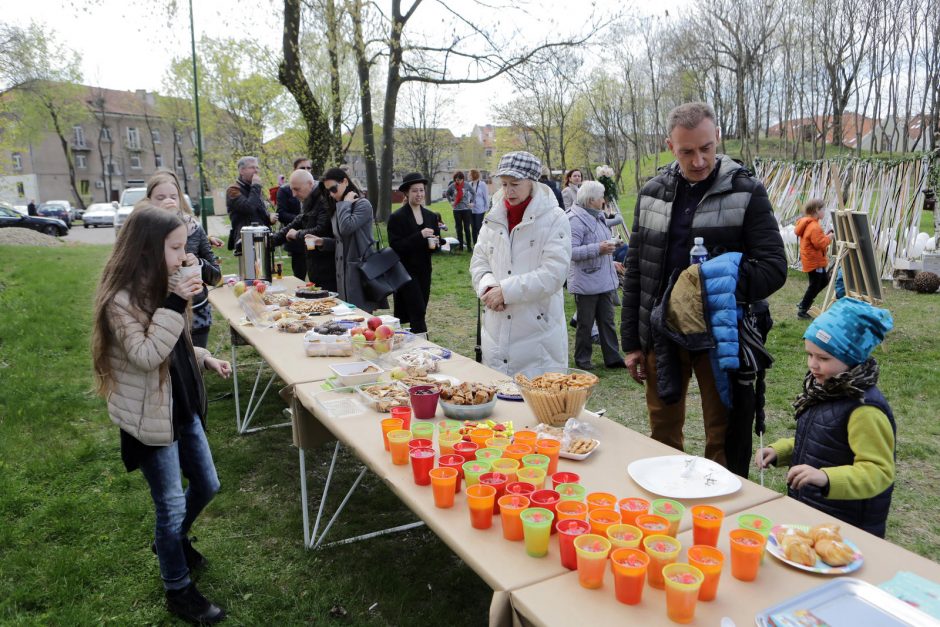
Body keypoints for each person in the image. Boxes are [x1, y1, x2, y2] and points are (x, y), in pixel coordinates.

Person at [621, 102, 786, 467]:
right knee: (662, 435)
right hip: (662, 333)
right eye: (687, 151)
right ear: (670, 146)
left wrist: (714, 282)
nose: (698, 160)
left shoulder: (747, 192)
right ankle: (667, 510)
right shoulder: (651, 194)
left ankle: (721, 515)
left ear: (718, 139)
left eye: (706, 148)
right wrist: (632, 342)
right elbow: (637, 271)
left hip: (721, 336)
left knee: (724, 437)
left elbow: (775, 268)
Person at [91, 205, 231, 624]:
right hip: (150, 418)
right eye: (175, 247)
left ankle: (172, 540)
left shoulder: (163, 284)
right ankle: (178, 588)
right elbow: (149, 354)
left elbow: (176, 342)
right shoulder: (121, 301)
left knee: (207, 484)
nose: (183, 254)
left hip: (181, 404)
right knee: (169, 507)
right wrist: (176, 299)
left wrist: (203, 357)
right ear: (149, 249)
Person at [756, 298, 895, 538]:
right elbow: (822, 438)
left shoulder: (865, 409)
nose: (813, 365)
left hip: (848, 528)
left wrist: (825, 477)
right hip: (816, 513)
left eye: (823, 358)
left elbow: (879, 472)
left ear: (852, 357)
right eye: (809, 355)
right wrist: (781, 451)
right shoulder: (827, 389)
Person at [470, 151, 571, 375]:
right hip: (496, 333)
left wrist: (505, 291)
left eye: (515, 184)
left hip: (538, 336)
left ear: (532, 182)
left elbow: (554, 274)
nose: (508, 191)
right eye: (504, 184)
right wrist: (487, 287)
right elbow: (479, 260)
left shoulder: (555, 218)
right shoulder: (494, 216)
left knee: (537, 405)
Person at [146, 170, 222, 349]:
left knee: (197, 368)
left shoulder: (194, 228)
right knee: (168, 370)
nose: (168, 201)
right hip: (160, 313)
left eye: (173, 196)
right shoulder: (143, 231)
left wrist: (200, 264)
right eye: (160, 197)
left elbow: (216, 277)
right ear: (149, 201)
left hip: (197, 314)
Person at [568, 180, 625, 371]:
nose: (604, 200)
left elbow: (601, 244)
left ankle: (613, 358)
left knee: (607, 320)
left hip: (603, 278)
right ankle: (583, 360)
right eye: (601, 196)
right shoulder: (575, 220)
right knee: (585, 323)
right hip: (586, 280)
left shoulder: (597, 216)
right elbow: (570, 252)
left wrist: (611, 260)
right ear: (591, 199)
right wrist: (598, 249)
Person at [318, 167, 381, 312]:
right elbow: (341, 240)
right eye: (328, 191)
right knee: (347, 316)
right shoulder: (339, 207)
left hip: (359, 270)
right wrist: (322, 242)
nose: (331, 194)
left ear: (345, 181)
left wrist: (345, 204)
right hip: (343, 272)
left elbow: (346, 228)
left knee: (361, 315)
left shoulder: (362, 205)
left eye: (334, 189)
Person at [387, 172, 442, 333]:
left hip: (424, 270)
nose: (419, 194)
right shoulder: (397, 217)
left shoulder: (431, 216)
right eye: (415, 191)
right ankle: (423, 344)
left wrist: (436, 243)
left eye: (421, 190)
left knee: (419, 310)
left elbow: (436, 244)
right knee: (417, 311)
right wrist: (420, 235)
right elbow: (396, 246)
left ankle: (413, 342)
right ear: (406, 192)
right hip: (405, 272)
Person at [270, 169, 337, 291]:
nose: (294, 194)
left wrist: (297, 234)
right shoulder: (309, 200)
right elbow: (297, 222)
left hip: (328, 266)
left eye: (297, 189)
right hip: (315, 264)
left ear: (310, 184)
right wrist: (271, 240)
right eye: (292, 190)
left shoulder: (324, 199)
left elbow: (320, 231)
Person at [225, 156, 276, 253]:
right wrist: (256, 186)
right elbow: (249, 208)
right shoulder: (233, 190)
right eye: (252, 167)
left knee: (267, 268)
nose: (256, 171)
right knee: (250, 268)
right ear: (241, 171)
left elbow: (258, 213)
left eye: (257, 167)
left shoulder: (254, 188)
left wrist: (269, 217)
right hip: (245, 239)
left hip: (262, 237)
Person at [276, 157, 314, 280]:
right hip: (296, 240)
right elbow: (281, 213)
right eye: (303, 168)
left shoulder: (317, 191)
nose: (306, 170)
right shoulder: (285, 190)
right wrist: (302, 220)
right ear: (295, 170)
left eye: (309, 168)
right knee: (299, 276)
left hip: (314, 238)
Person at [795, 198, 832, 319]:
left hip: (812, 260)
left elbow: (817, 240)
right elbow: (820, 244)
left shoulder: (810, 223)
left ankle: (804, 302)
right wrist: (830, 237)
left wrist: (825, 235)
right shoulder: (814, 226)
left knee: (823, 281)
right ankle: (803, 308)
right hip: (815, 261)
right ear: (817, 210)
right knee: (815, 285)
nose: (825, 212)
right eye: (823, 209)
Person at [445, 171, 475, 251]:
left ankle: (469, 247)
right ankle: (460, 246)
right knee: (458, 229)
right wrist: (451, 201)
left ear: (462, 179)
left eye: (459, 180)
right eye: (456, 180)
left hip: (466, 210)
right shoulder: (452, 186)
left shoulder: (467, 185)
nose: (457, 181)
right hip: (456, 210)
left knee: (467, 229)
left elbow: (473, 193)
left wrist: (472, 202)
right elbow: (447, 194)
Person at [468, 169, 489, 243]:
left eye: (470, 174)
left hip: (480, 209)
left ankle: (481, 243)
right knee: (473, 227)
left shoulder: (482, 184)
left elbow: (486, 196)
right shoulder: (469, 184)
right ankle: (475, 244)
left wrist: (487, 209)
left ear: (474, 175)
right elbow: (468, 196)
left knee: (478, 227)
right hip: (471, 209)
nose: (468, 176)